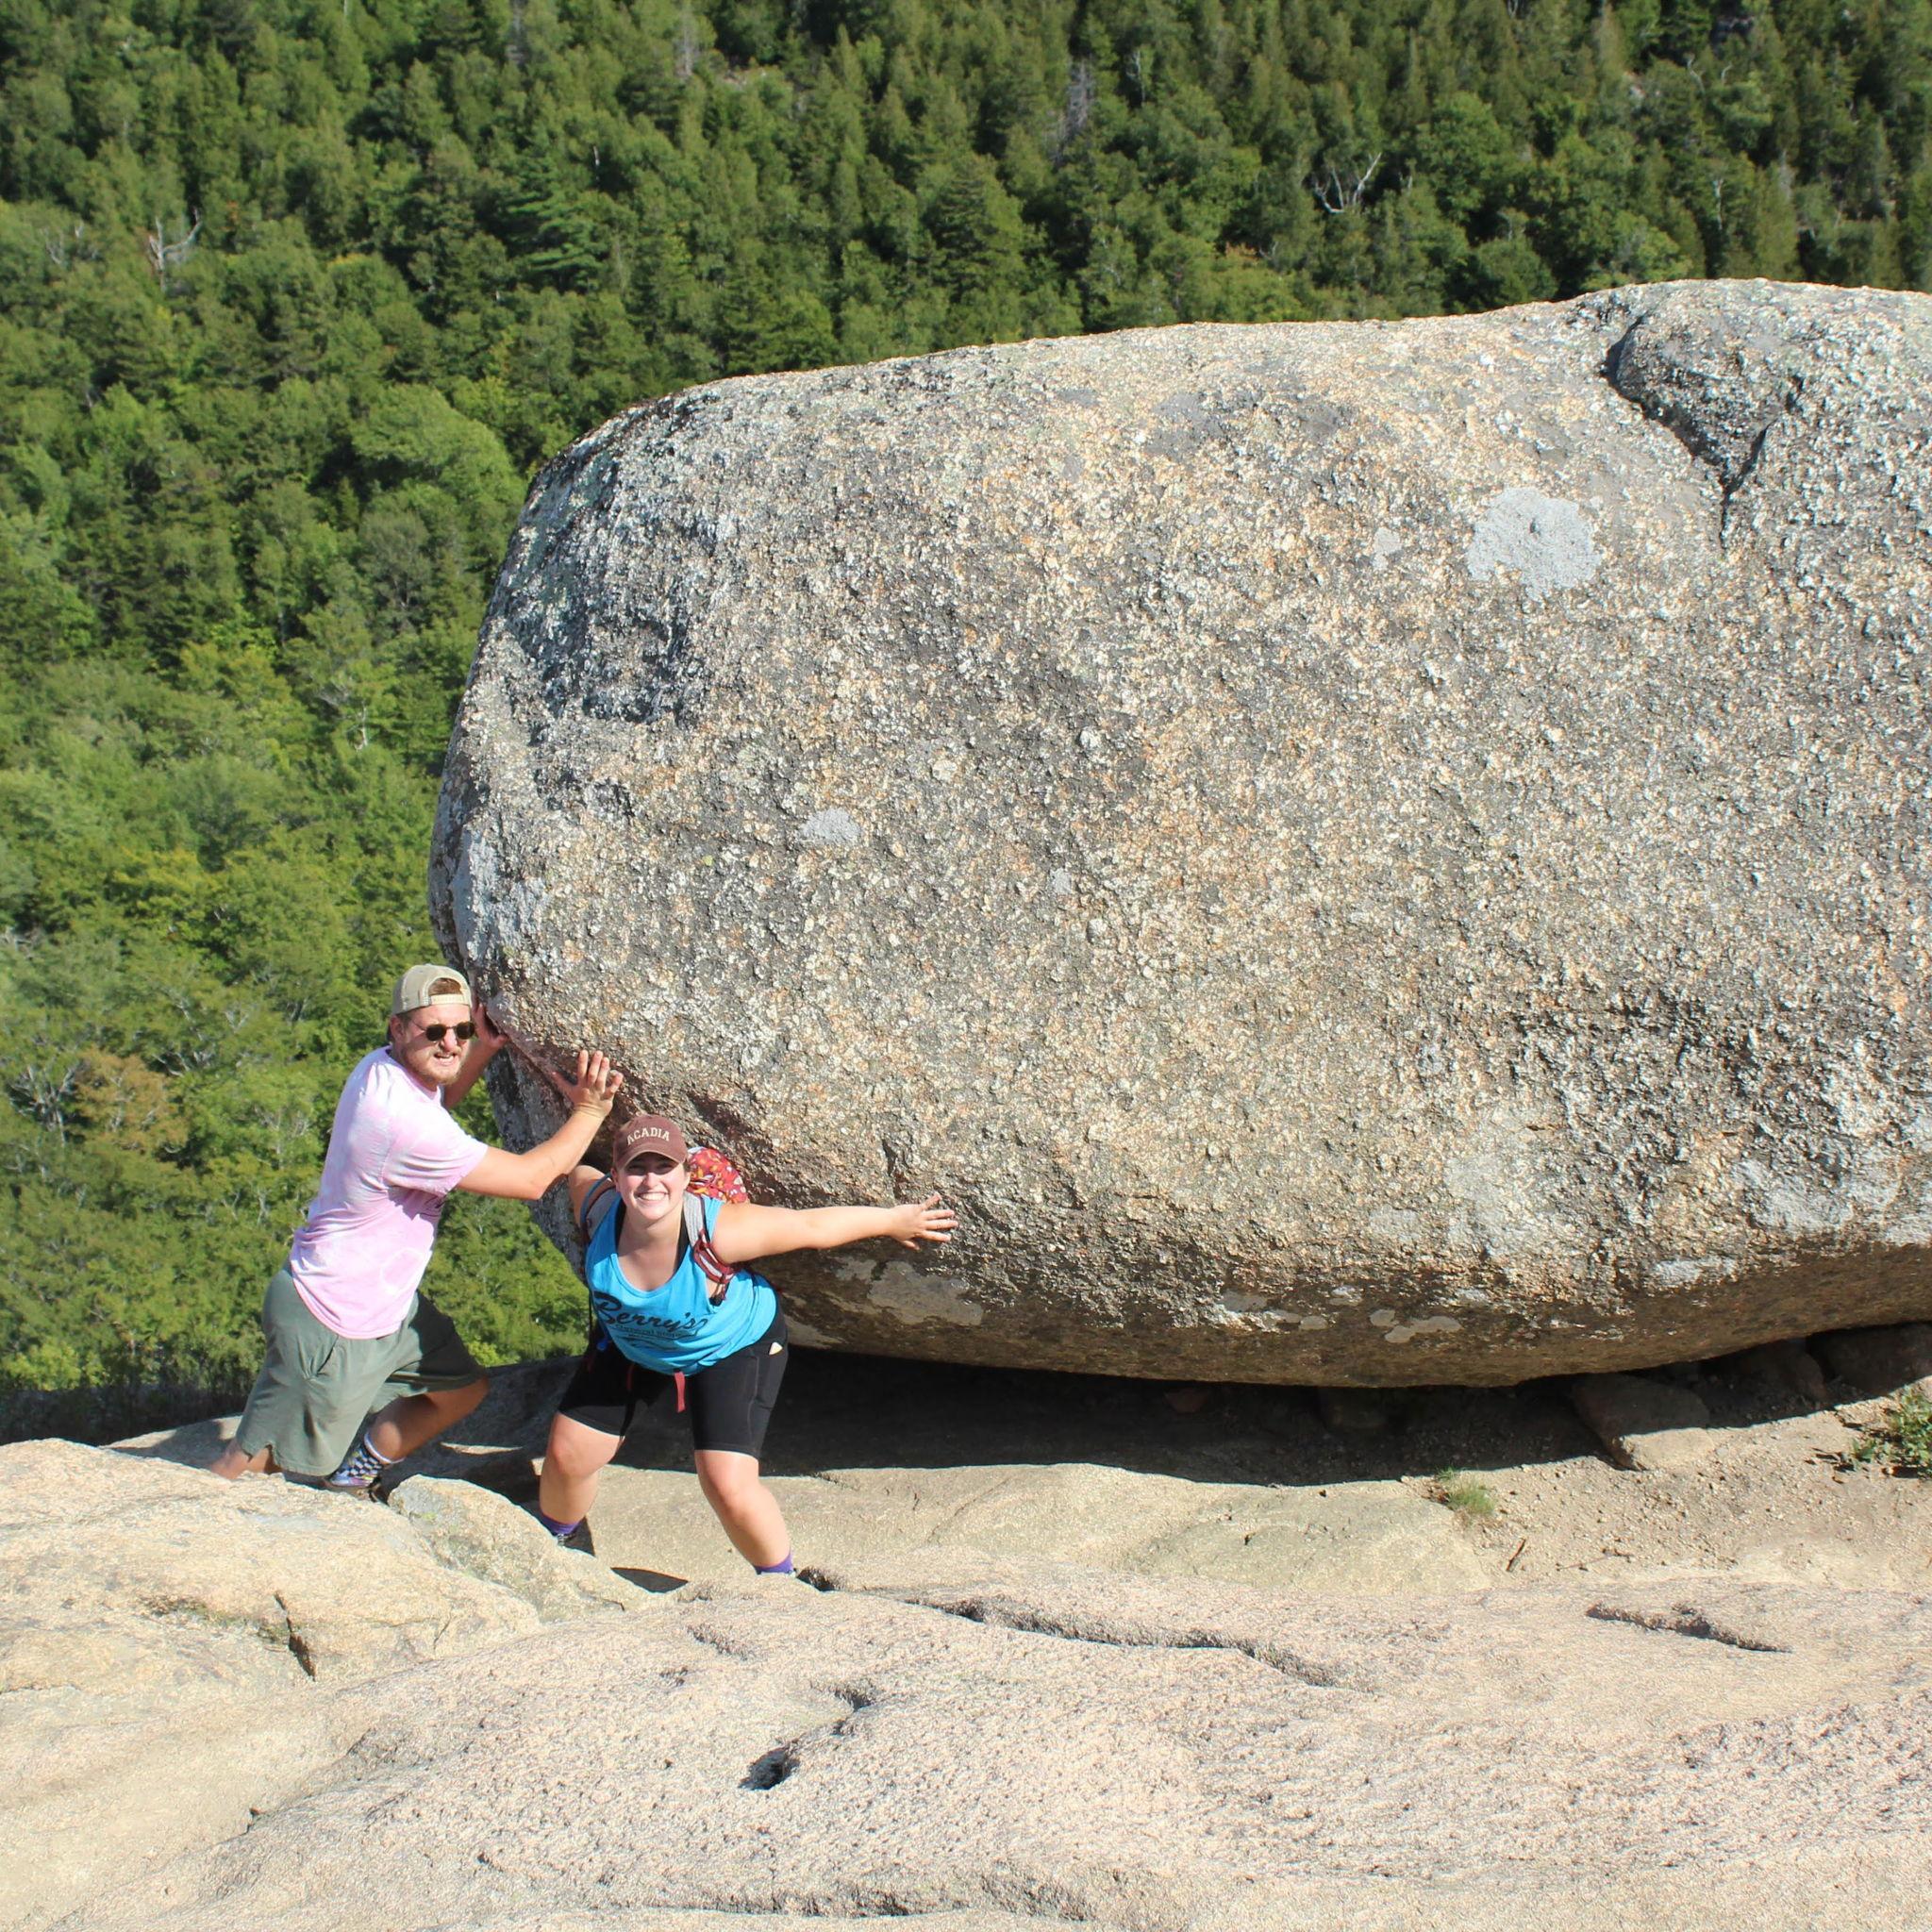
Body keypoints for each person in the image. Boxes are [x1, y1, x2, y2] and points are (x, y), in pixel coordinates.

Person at [211, 963, 622, 1492]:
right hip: (333, 1320)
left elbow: (440, 1097)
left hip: (385, 1303)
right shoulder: (397, 1121)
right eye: (434, 1032)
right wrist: (589, 1111)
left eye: (461, 1030)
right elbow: (530, 1178)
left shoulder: (383, 1069)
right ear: (397, 1028)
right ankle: (182, 1544)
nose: (450, 1043)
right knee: (251, 1462)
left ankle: (352, 1476)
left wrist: (484, 1050)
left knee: (460, 1390)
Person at [536, 1114, 957, 1573]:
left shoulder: (717, 1230)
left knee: (726, 1485)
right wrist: (582, 1108)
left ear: (684, 1176)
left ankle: (779, 1585)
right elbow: (577, 1171)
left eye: (665, 1167)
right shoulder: (596, 1209)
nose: (651, 1181)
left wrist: (896, 1220)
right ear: (616, 1177)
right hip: (634, 1342)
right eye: (637, 1168)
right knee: (567, 1454)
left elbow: (812, 1228)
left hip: (732, 1346)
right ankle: (558, 1547)